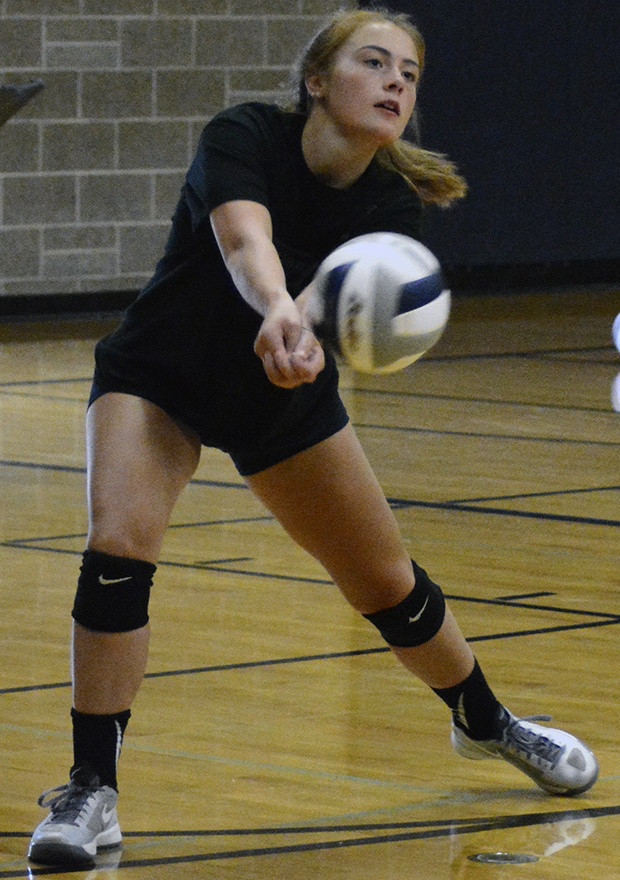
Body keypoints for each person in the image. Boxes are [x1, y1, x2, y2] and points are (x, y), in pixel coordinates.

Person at [28, 7, 598, 867]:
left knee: (388, 585)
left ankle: (487, 723)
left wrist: (305, 343)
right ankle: (90, 790)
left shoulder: (387, 203)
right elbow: (241, 234)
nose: (396, 82)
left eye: (409, 72)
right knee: (118, 545)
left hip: (277, 398)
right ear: (318, 82)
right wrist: (279, 308)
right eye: (374, 63)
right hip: (161, 376)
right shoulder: (246, 133)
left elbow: (354, 321)